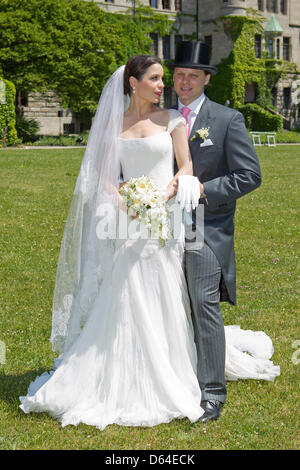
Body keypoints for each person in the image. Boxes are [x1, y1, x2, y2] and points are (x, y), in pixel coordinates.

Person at [19, 55, 279, 430]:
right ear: (132, 82)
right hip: (130, 221)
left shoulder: (175, 119)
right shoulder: (113, 124)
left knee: (176, 296)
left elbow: (186, 166)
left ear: (205, 79)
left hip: (176, 220)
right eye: (160, 78)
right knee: (128, 294)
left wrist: (177, 187)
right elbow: (101, 172)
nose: (166, 85)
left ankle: (197, 383)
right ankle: (122, 372)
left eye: (167, 78)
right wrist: (123, 197)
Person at [168, 41, 276, 422]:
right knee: (163, 303)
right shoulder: (159, 117)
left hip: (204, 227)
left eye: (192, 76)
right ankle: (169, 377)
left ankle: (212, 392)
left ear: (206, 79)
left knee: (203, 304)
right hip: (157, 230)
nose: (184, 82)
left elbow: (250, 175)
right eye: (179, 75)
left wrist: (202, 190)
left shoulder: (227, 120)